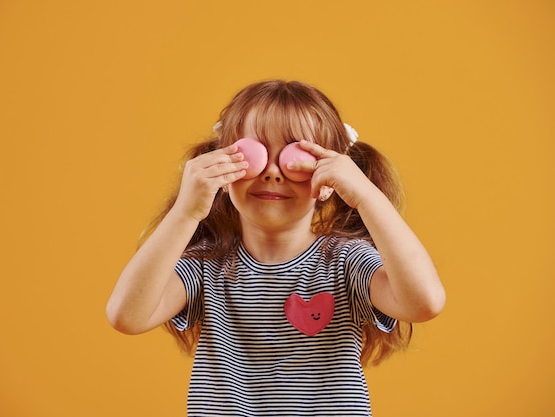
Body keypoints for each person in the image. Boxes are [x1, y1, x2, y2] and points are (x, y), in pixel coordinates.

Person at [106, 80, 446, 416]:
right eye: (254, 153)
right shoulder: (205, 267)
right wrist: (186, 211)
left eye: (293, 156)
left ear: (329, 181)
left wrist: (364, 195)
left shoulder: (346, 262)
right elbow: (127, 317)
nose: (271, 171)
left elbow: (424, 302)